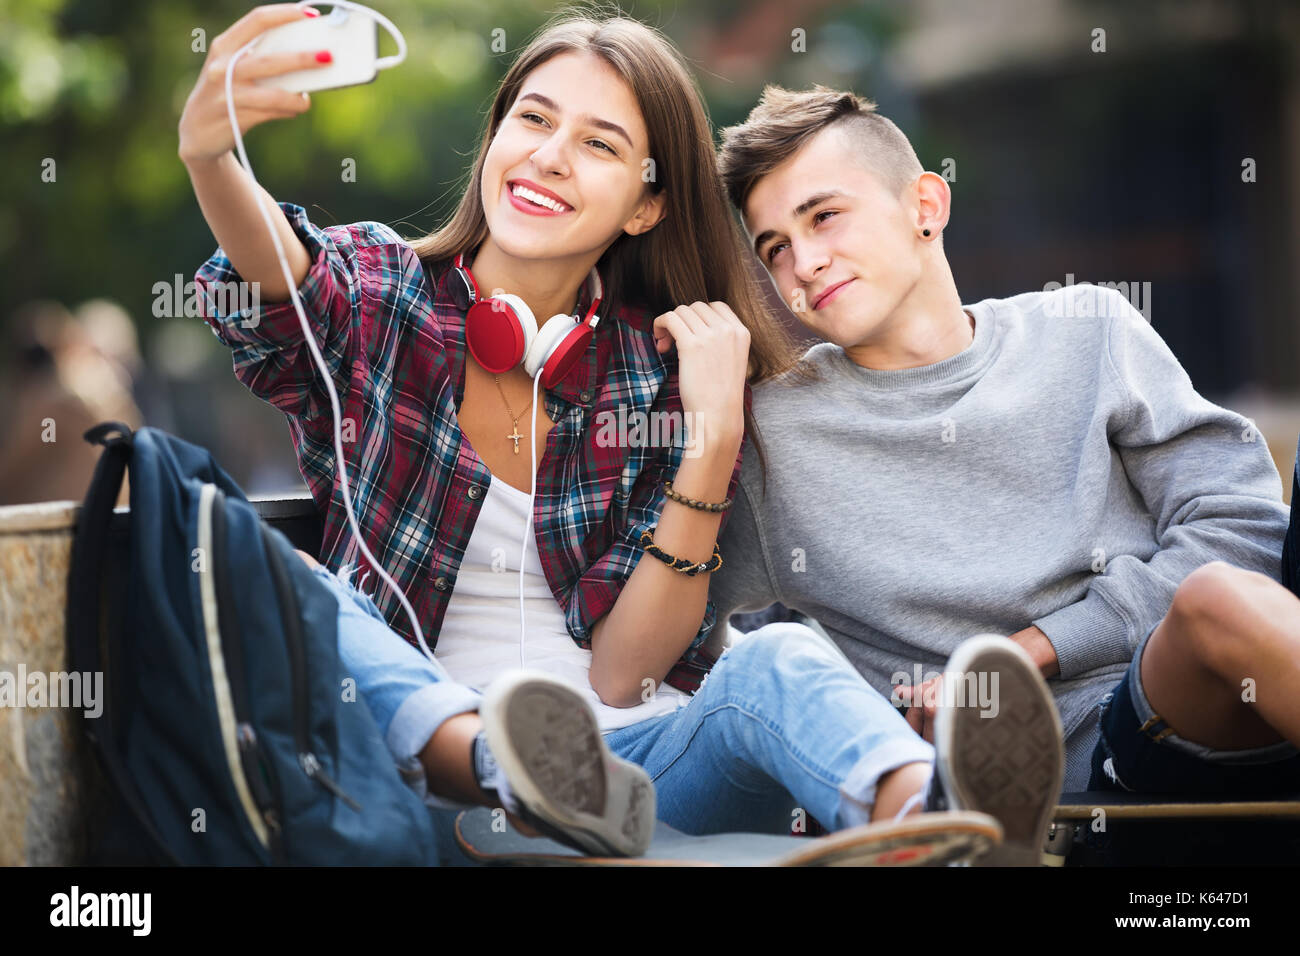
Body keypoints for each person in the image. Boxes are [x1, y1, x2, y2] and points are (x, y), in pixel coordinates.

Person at [182, 6, 1034, 865]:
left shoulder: (654, 367)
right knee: (283, 573)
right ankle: (497, 759)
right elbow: (273, 274)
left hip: (633, 780)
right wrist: (211, 156)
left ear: (645, 203)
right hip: (428, 786)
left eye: (599, 144)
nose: (550, 155)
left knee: (774, 660)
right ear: (497, 139)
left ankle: (936, 822)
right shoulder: (383, 299)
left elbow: (624, 676)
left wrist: (710, 437)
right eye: (535, 119)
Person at [707, 82, 1299, 826]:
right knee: (1220, 601)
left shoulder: (1088, 330)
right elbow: (691, 647)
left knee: (1222, 595)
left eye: (824, 217)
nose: (805, 264)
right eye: (776, 250)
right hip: (1074, 773)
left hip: (1194, 684)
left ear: (926, 206)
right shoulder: (770, 434)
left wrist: (1030, 651)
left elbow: (1245, 535)